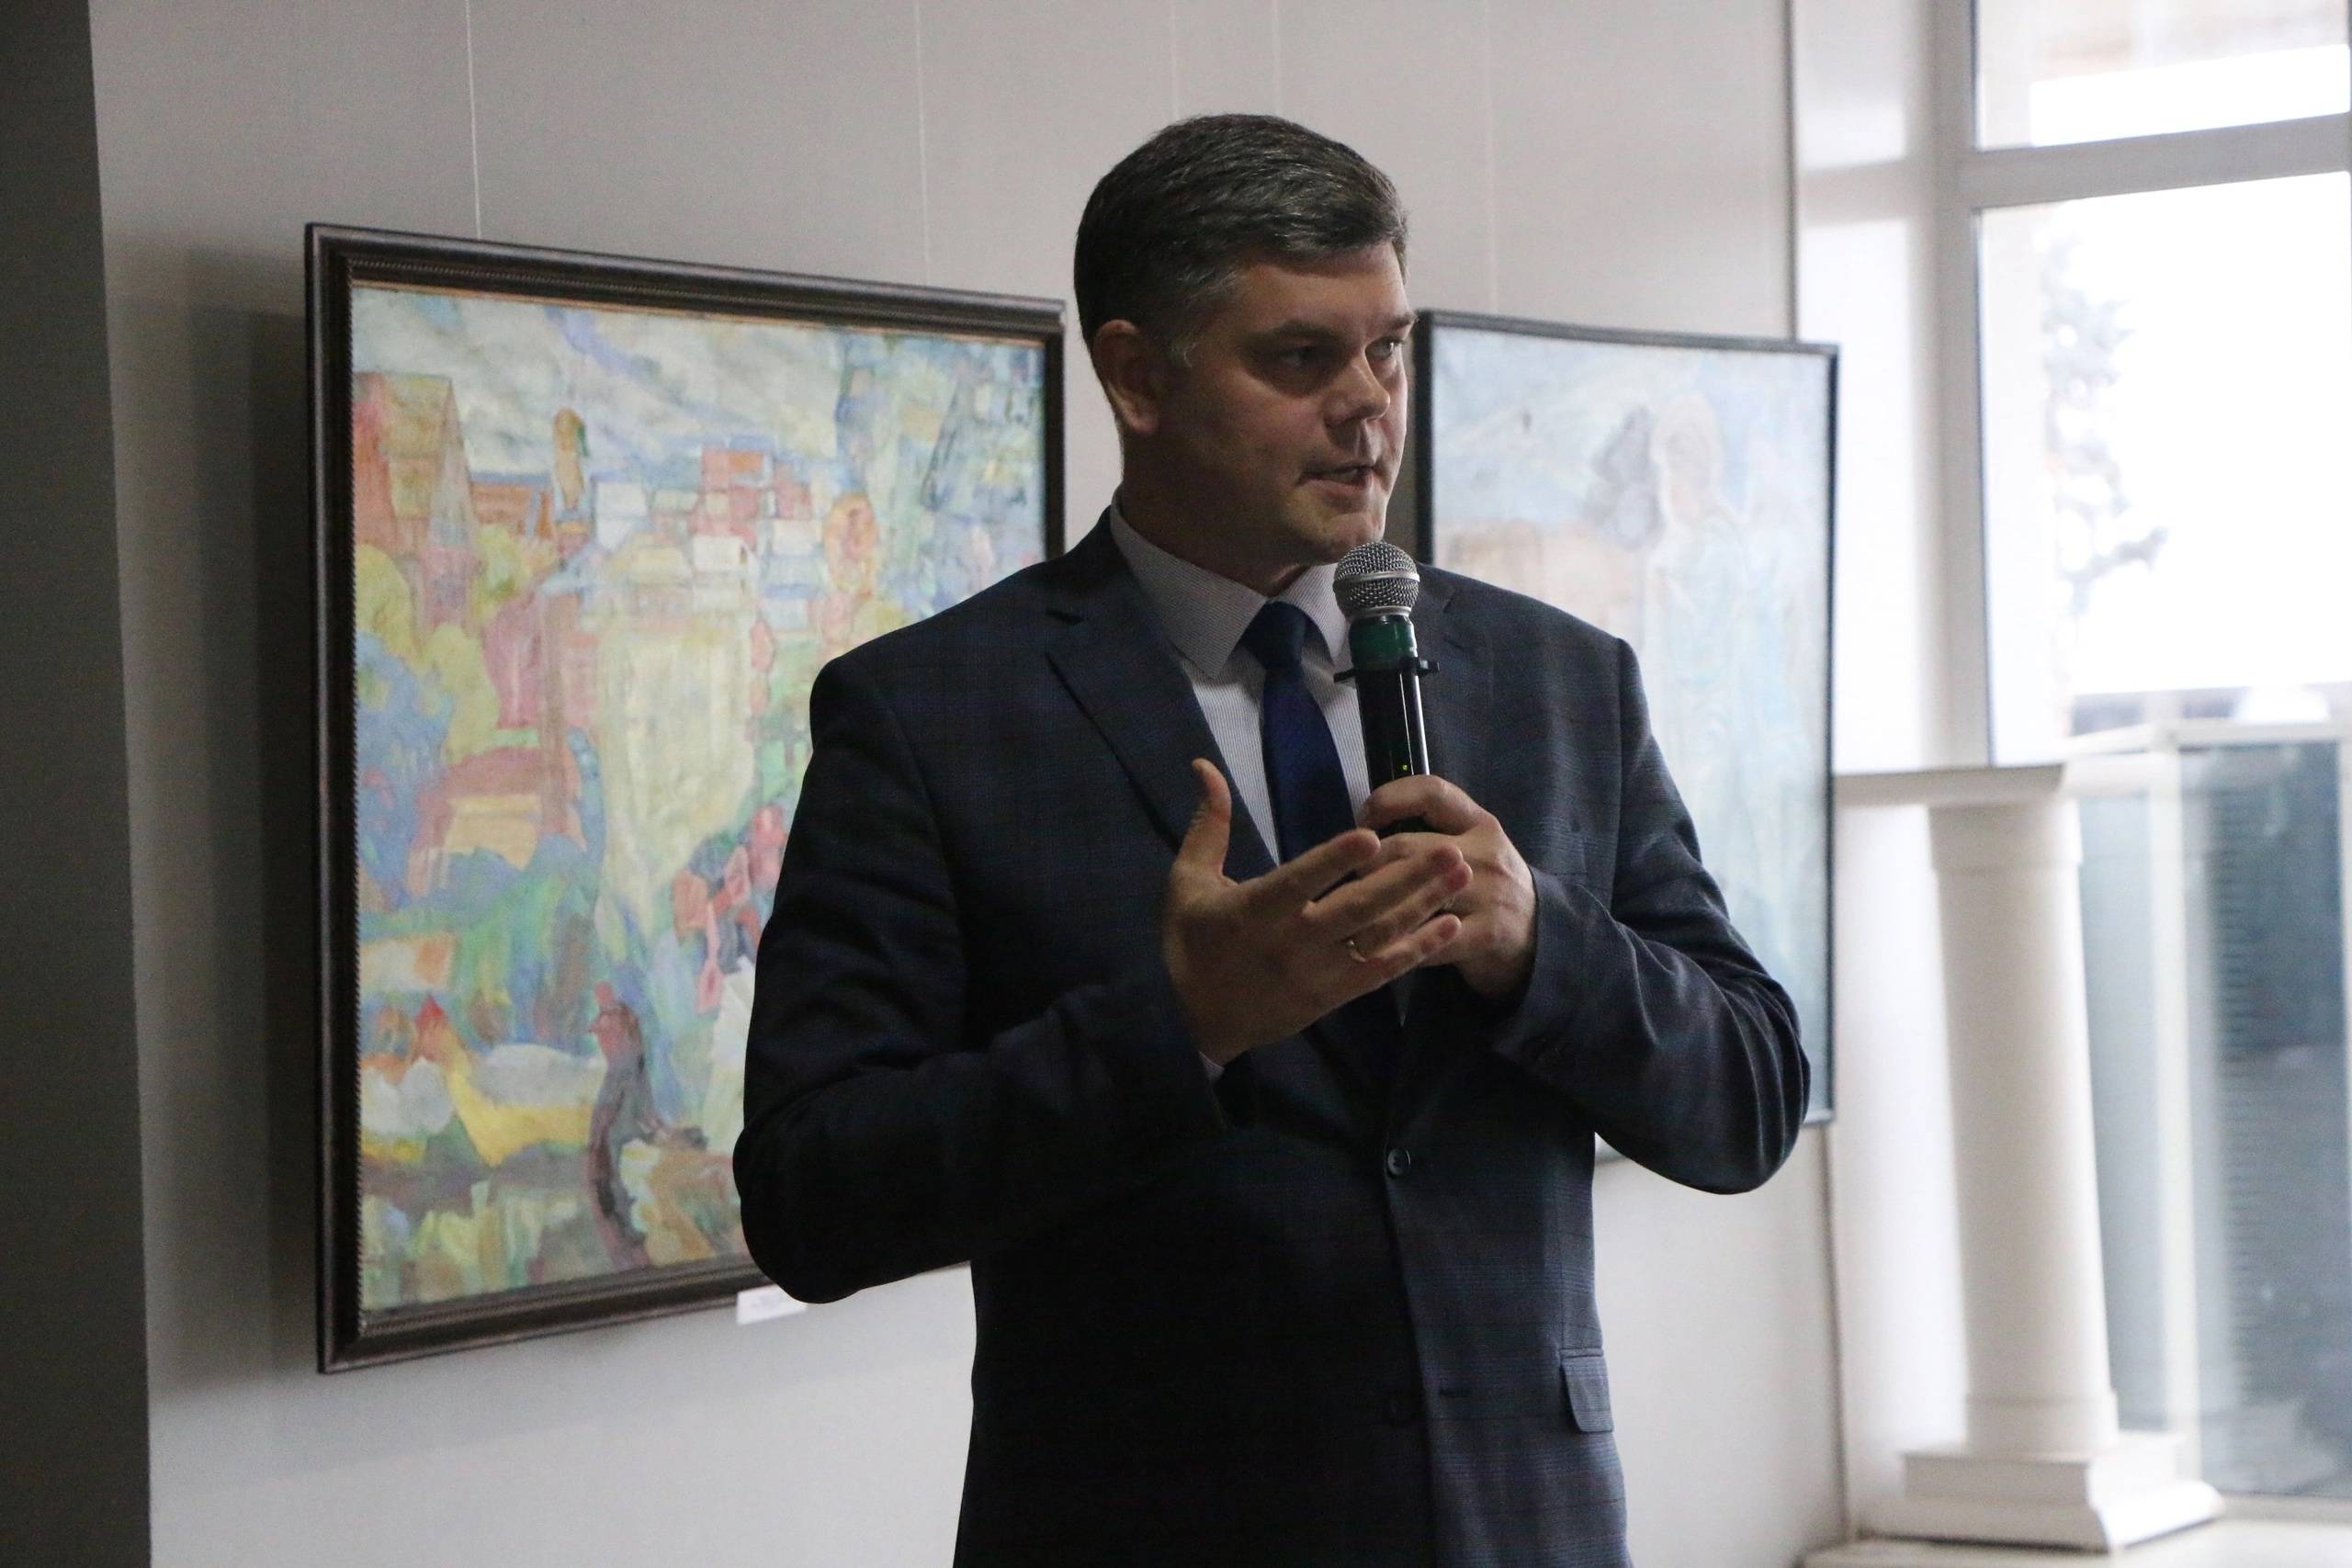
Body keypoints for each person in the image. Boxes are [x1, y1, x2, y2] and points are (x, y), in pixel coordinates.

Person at [735, 113, 1807, 1567]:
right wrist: (1180, 1028)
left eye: (1389, 352)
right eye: (1301, 359)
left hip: (1518, 1530)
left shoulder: (1559, 681)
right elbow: (812, 1197)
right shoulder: (935, 716)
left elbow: (1750, 1097)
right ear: (1136, 377)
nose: (1369, 410)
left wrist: (1540, 942)